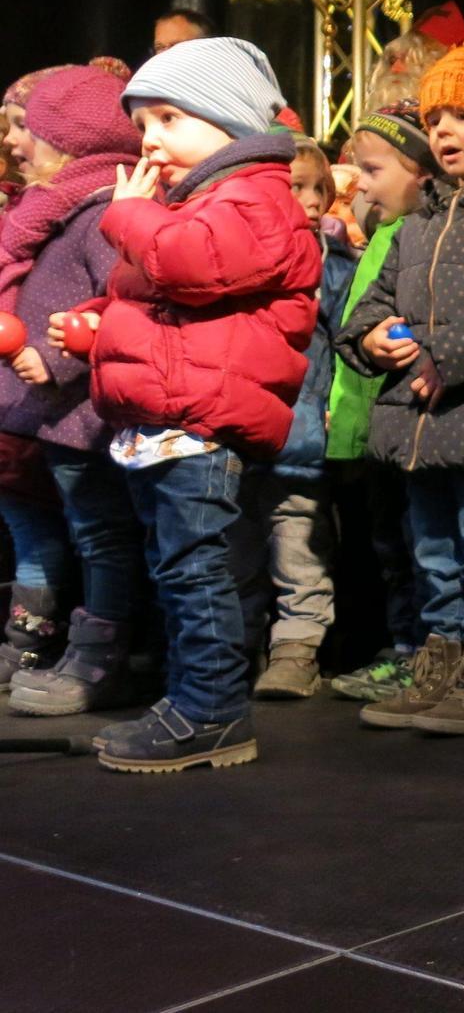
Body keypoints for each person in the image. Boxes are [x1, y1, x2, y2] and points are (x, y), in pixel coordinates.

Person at [57, 37, 321, 771]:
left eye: (170, 118)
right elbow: (154, 297)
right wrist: (96, 326)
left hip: (201, 426)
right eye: (142, 126)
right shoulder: (194, 205)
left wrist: (127, 216)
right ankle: (190, 702)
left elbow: (191, 264)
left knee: (196, 568)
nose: (151, 141)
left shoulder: (256, 197)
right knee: (177, 568)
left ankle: (212, 712)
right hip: (170, 418)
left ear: (228, 121)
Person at [337, 26, 464, 737]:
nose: (445, 131)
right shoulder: (419, 221)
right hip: (411, 426)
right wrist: (368, 336)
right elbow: (374, 300)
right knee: (430, 548)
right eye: (434, 120)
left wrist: (439, 357)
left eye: (463, 117)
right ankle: (441, 657)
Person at [0, 62, 146, 715]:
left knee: (103, 537)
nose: (15, 142)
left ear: (72, 141)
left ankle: (99, 660)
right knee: (91, 534)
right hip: (61, 422)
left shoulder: (98, 216)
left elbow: (119, 303)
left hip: (89, 415)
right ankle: (79, 651)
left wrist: (55, 362)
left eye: (31, 130)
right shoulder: (63, 211)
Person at [230, 138, 347, 700]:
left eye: (317, 188)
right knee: (237, 552)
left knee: (298, 548)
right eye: (293, 186)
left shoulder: (335, 263)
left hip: (302, 435)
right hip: (238, 434)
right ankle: (240, 647)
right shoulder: (237, 253)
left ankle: (297, 649)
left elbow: (347, 339)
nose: (310, 201)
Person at [325, 103, 432, 703]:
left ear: (420, 170)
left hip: (407, 426)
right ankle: (403, 649)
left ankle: (423, 655)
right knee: (390, 549)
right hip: (370, 429)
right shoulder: (386, 234)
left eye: (372, 169)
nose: (359, 183)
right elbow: (355, 332)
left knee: (420, 551)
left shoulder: (416, 236)